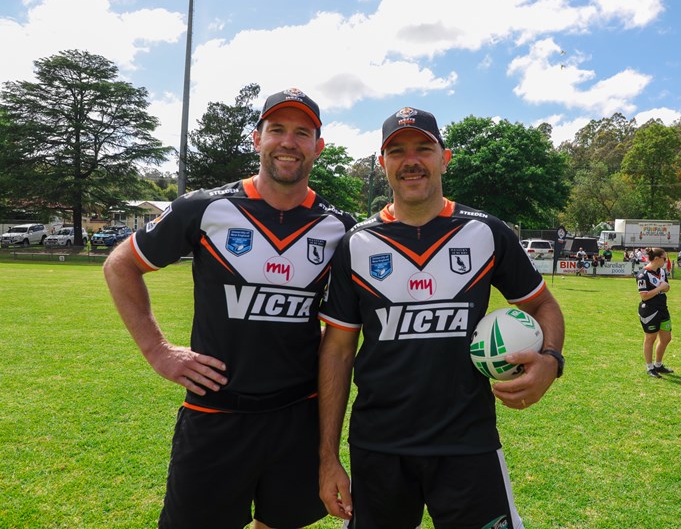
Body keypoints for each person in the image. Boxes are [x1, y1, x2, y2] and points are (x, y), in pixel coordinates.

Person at [103, 89, 356, 528]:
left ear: (319, 145)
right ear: (257, 139)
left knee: (281, 522)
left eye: (302, 132)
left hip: (298, 414)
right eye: (277, 130)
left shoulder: (339, 228)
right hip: (215, 414)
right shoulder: (206, 208)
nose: (289, 142)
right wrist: (158, 351)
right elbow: (120, 265)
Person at [317, 107, 565, 528]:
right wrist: (327, 458)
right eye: (397, 151)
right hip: (379, 447)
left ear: (444, 157)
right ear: (383, 164)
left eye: (423, 148)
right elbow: (338, 352)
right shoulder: (357, 244)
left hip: (468, 442)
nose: (410, 160)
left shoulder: (486, 232)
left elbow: (544, 306)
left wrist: (551, 361)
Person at [636, 247, 673, 378]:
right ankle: (650, 367)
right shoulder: (643, 274)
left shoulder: (662, 271)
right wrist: (660, 288)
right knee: (650, 338)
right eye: (664, 258)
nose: (666, 260)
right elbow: (644, 296)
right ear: (657, 259)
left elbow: (667, 287)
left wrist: (665, 287)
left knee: (666, 338)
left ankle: (658, 364)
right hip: (650, 311)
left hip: (663, 309)